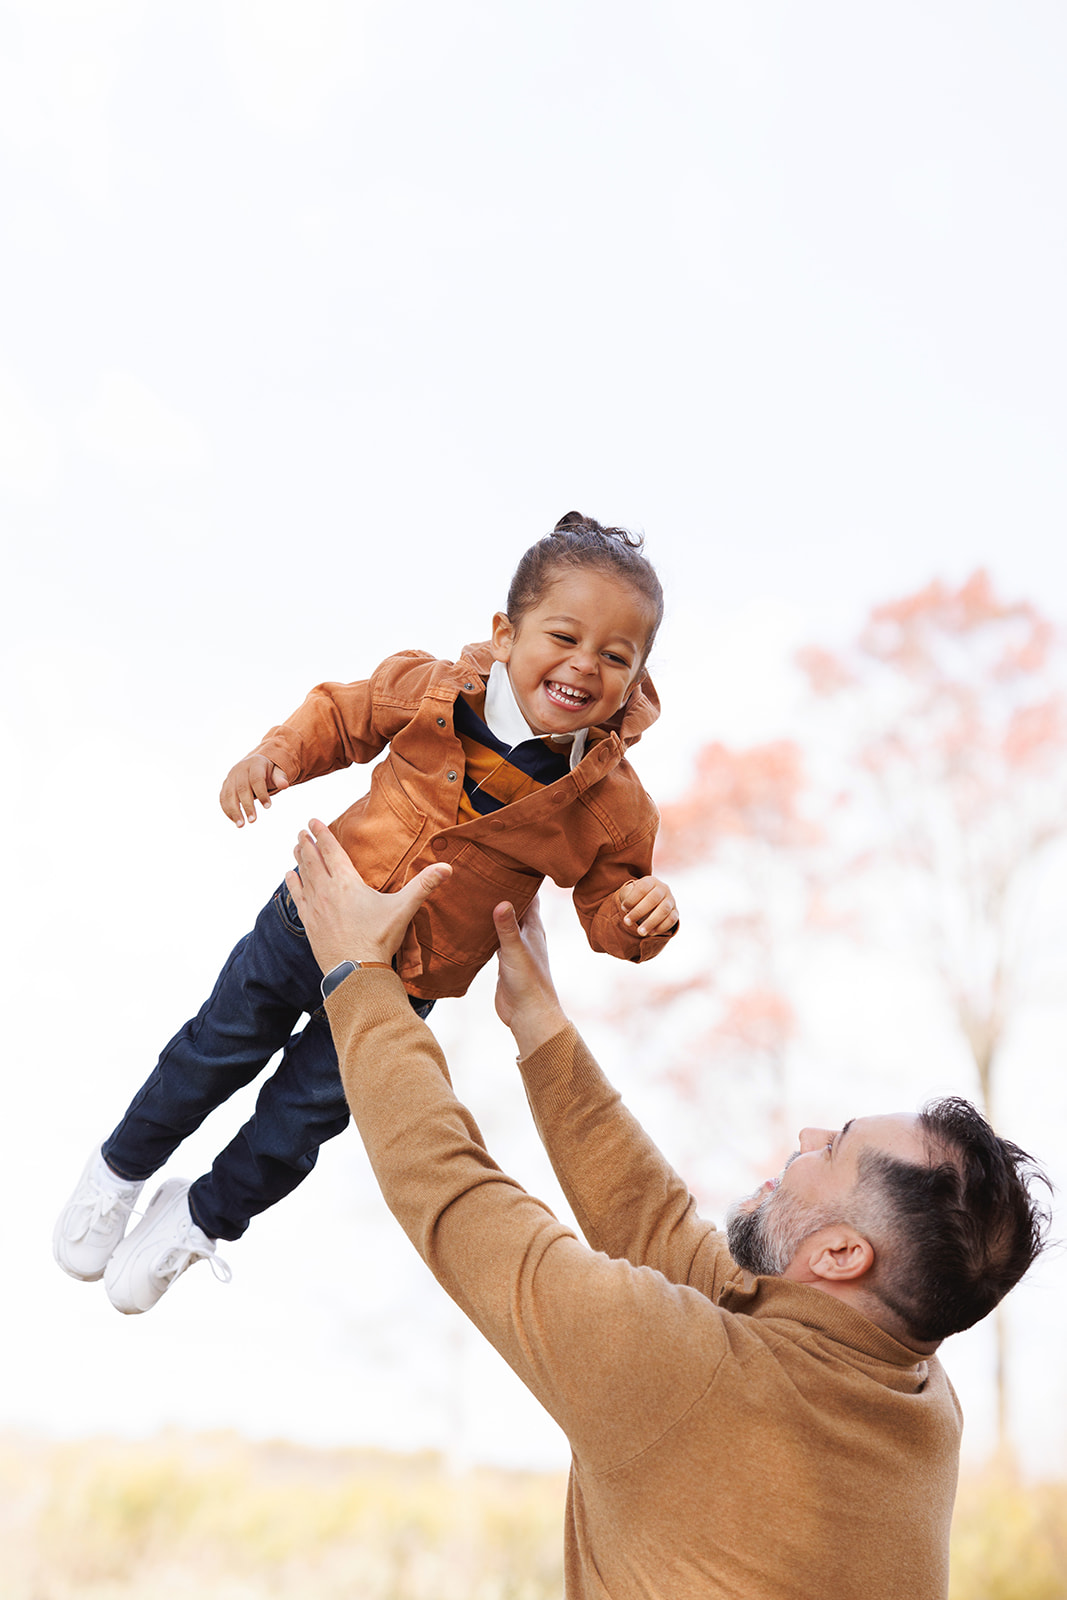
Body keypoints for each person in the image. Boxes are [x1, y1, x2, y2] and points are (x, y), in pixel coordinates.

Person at [285, 816, 1052, 1600]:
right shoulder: (917, 1397)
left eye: (834, 1147)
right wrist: (542, 1029)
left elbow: (452, 1193)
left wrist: (358, 974)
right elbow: (671, 1243)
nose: (807, 1134)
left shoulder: (689, 1376)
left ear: (839, 1255)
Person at [53, 513, 679, 1314]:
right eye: (563, 636)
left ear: (635, 678)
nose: (583, 666)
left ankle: (202, 1217)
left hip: (397, 984)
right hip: (309, 917)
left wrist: (637, 918)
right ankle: (120, 1170)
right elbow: (341, 717)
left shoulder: (610, 806)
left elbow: (606, 906)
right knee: (215, 1050)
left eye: (615, 656)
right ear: (507, 631)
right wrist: (272, 756)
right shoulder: (432, 690)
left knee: (299, 1125)